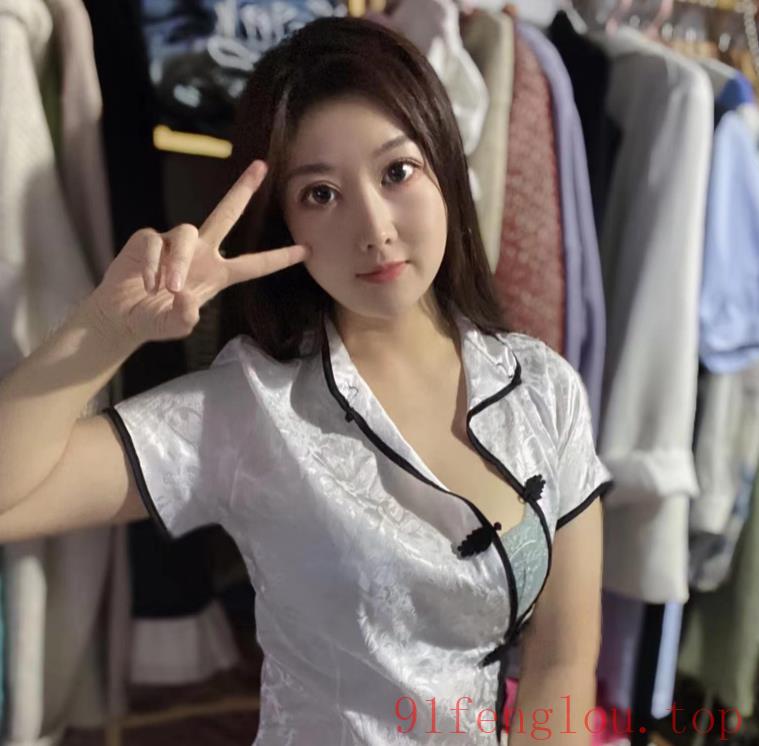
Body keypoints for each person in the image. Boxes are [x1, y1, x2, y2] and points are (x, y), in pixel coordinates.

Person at [0, 15, 613, 746]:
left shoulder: (543, 387)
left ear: (445, 166)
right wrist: (108, 327)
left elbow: (561, 662)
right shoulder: (249, 408)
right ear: (283, 223)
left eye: (397, 172)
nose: (374, 228)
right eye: (321, 194)